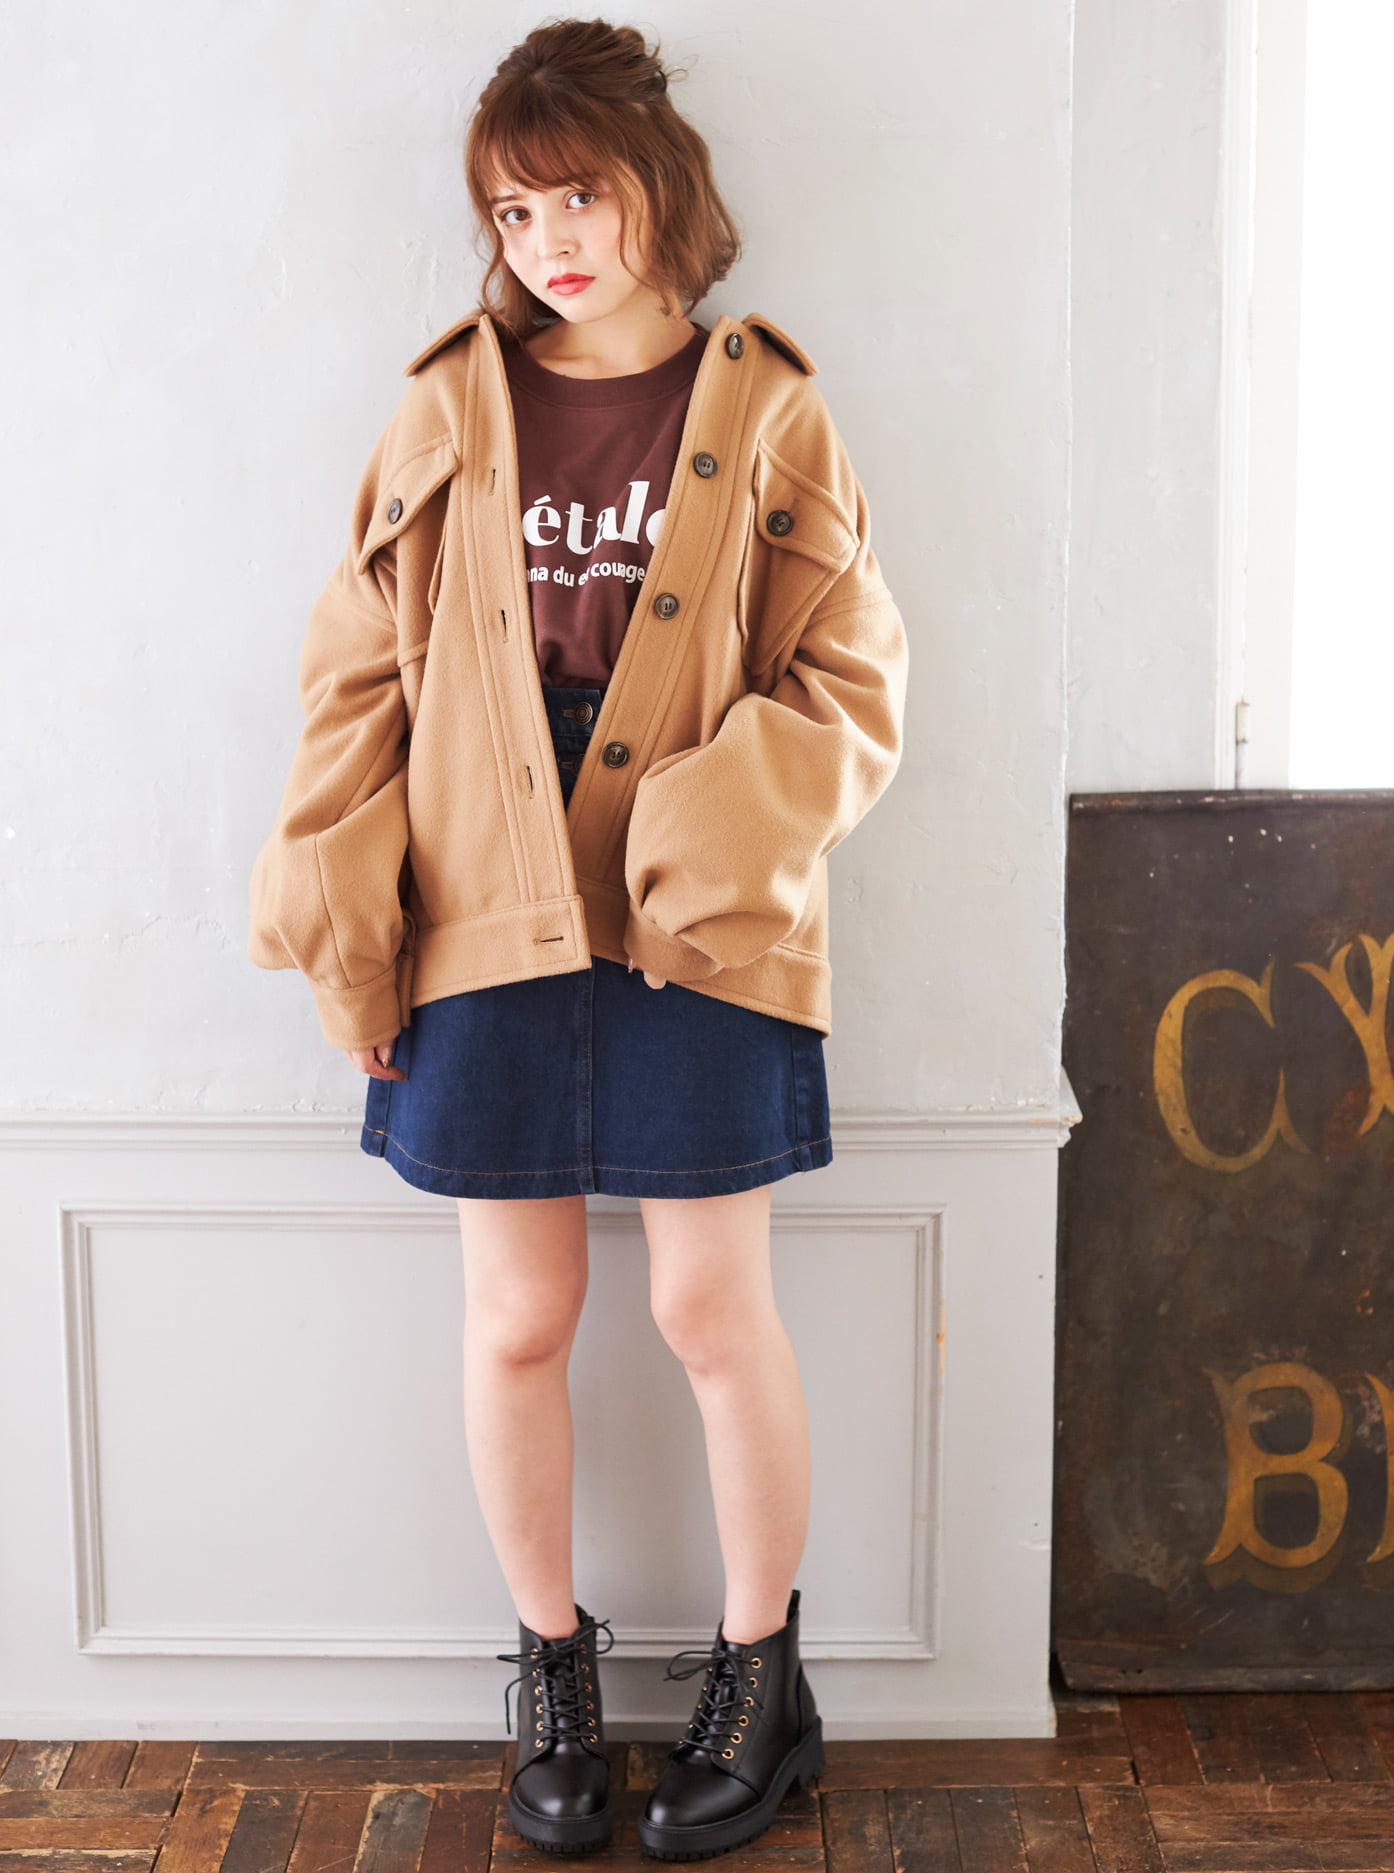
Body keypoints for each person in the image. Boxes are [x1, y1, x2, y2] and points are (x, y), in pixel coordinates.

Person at [247, 15, 907, 1861]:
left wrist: (706, 824)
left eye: (580, 197)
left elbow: (852, 680)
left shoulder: (765, 407)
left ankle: (762, 1682)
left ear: (658, 193)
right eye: (514, 211)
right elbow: (355, 688)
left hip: (704, 897)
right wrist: (350, 934)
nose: (549, 241)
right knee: (521, 1312)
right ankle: (550, 1670)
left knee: (709, 1307)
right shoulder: (447, 405)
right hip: (483, 881)